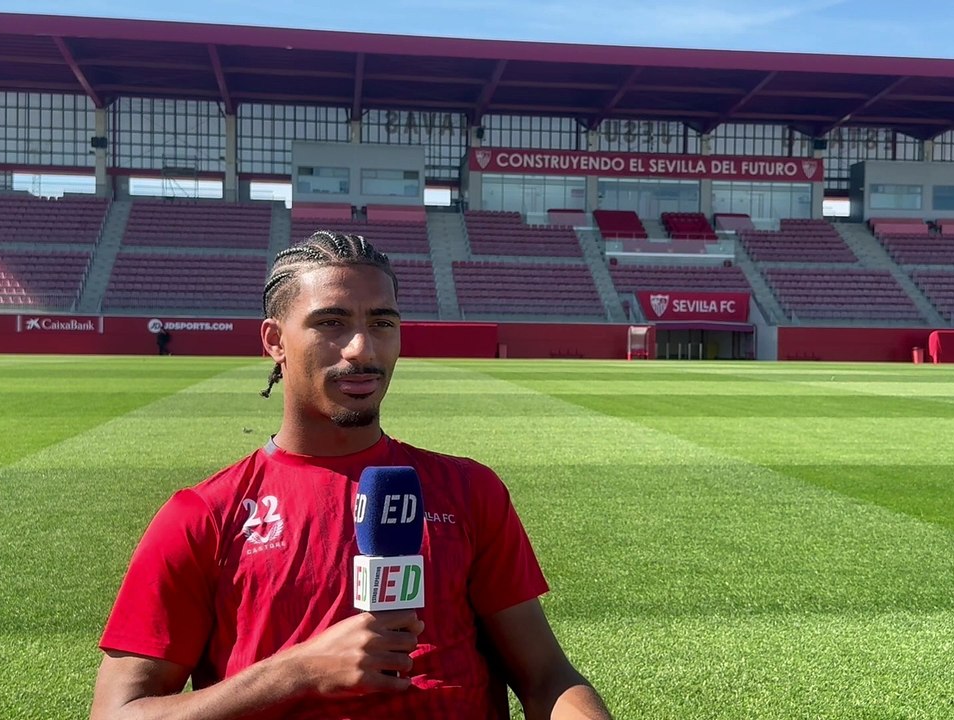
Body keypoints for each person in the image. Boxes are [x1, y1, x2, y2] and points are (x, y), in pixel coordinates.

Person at [91, 231, 611, 720]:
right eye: (330, 323)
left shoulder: (471, 491)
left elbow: (546, 678)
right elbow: (117, 712)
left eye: (382, 323)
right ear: (275, 340)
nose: (362, 349)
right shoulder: (204, 516)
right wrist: (299, 670)